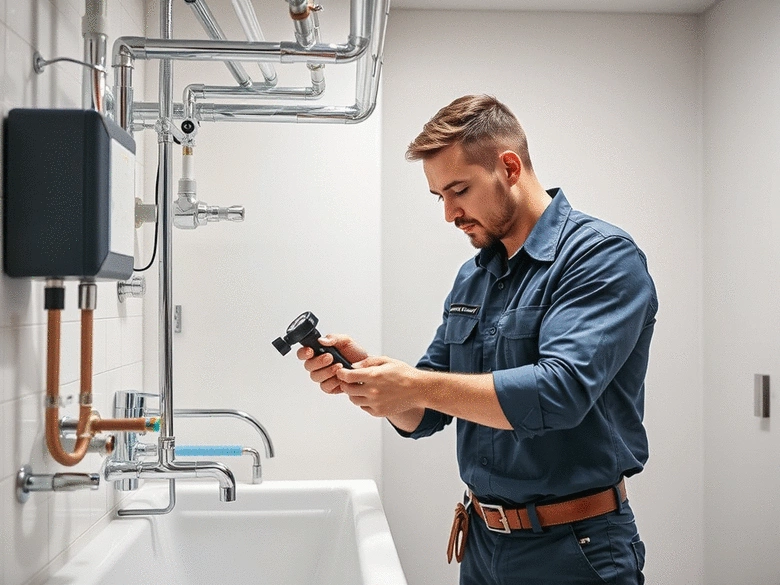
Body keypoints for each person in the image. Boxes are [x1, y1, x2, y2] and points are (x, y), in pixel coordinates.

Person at [297, 94, 657, 585]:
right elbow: (427, 413)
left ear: (509, 166)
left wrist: (417, 385)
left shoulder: (600, 258)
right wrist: (373, 384)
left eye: (459, 190)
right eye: (438, 197)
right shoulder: (474, 276)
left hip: (576, 548)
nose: (449, 213)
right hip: (482, 543)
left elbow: (559, 393)